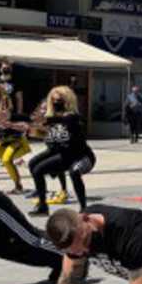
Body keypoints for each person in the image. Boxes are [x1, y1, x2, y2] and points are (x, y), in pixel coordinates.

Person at [27, 86, 96, 216]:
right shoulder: (51, 118)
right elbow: (50, 141)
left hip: (81, 156)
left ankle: (83, 208)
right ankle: (42, 205)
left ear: (67, 100)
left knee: (74, 172)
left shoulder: (73, 116)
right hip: (63, 153)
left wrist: (47, 120)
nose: (55, 103)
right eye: (53, 100)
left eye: (59, 100)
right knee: (33, 164)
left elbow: (65, 120)